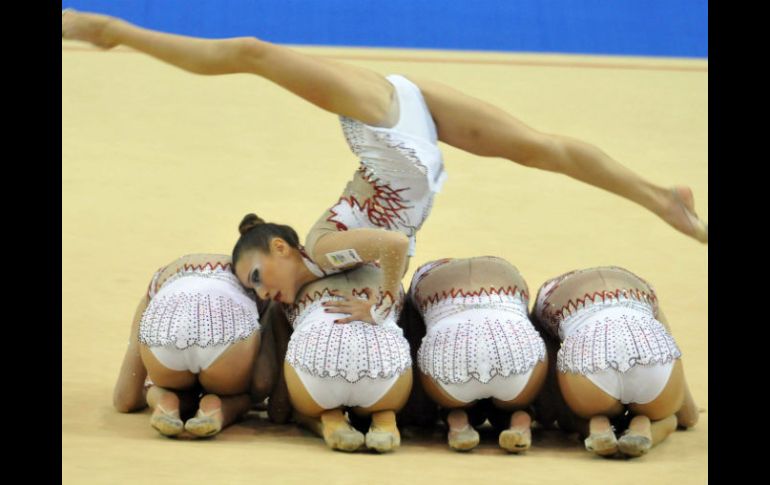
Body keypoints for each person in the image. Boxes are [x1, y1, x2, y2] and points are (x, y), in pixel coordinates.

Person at [63, 9, 708, 324]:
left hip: (381, 129)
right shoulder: (317, 270)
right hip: (412, 130)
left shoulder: (321, 245)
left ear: (284, 247)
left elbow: (395, 245)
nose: (263, 294)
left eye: (259, 277)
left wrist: (380, 301)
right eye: (255, 291)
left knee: (253, 53)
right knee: (546, 149)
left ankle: (113, 31)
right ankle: (661, 197)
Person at [530, 266, 699, 457]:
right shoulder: (644, 288)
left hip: (591, 370)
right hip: (654, 368)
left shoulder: (545, 297)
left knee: (571, 416)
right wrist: (685, 413)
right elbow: (688, 415)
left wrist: (564, 418)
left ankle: (596, 426)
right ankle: (647, 428)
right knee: (667, 417)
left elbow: (547, 401)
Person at [113, 254, 272, 438]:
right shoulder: (263, 285)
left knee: (161, 386)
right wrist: (251, 397)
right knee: (244, 392)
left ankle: (162, 400)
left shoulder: (160, 279)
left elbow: (124, 398)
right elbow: (262, 383)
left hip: (164, 334)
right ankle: (222, 407)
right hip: (227, 331)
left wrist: (149, 392)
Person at [403, 256, 547, 452]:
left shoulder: (420, 279)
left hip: (452, 357)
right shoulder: (511, 272)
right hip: (512, 351)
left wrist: (421, 411)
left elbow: (411, 342)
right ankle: (521, 419)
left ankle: (456, 419)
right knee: (515, 403)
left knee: (454, 401)